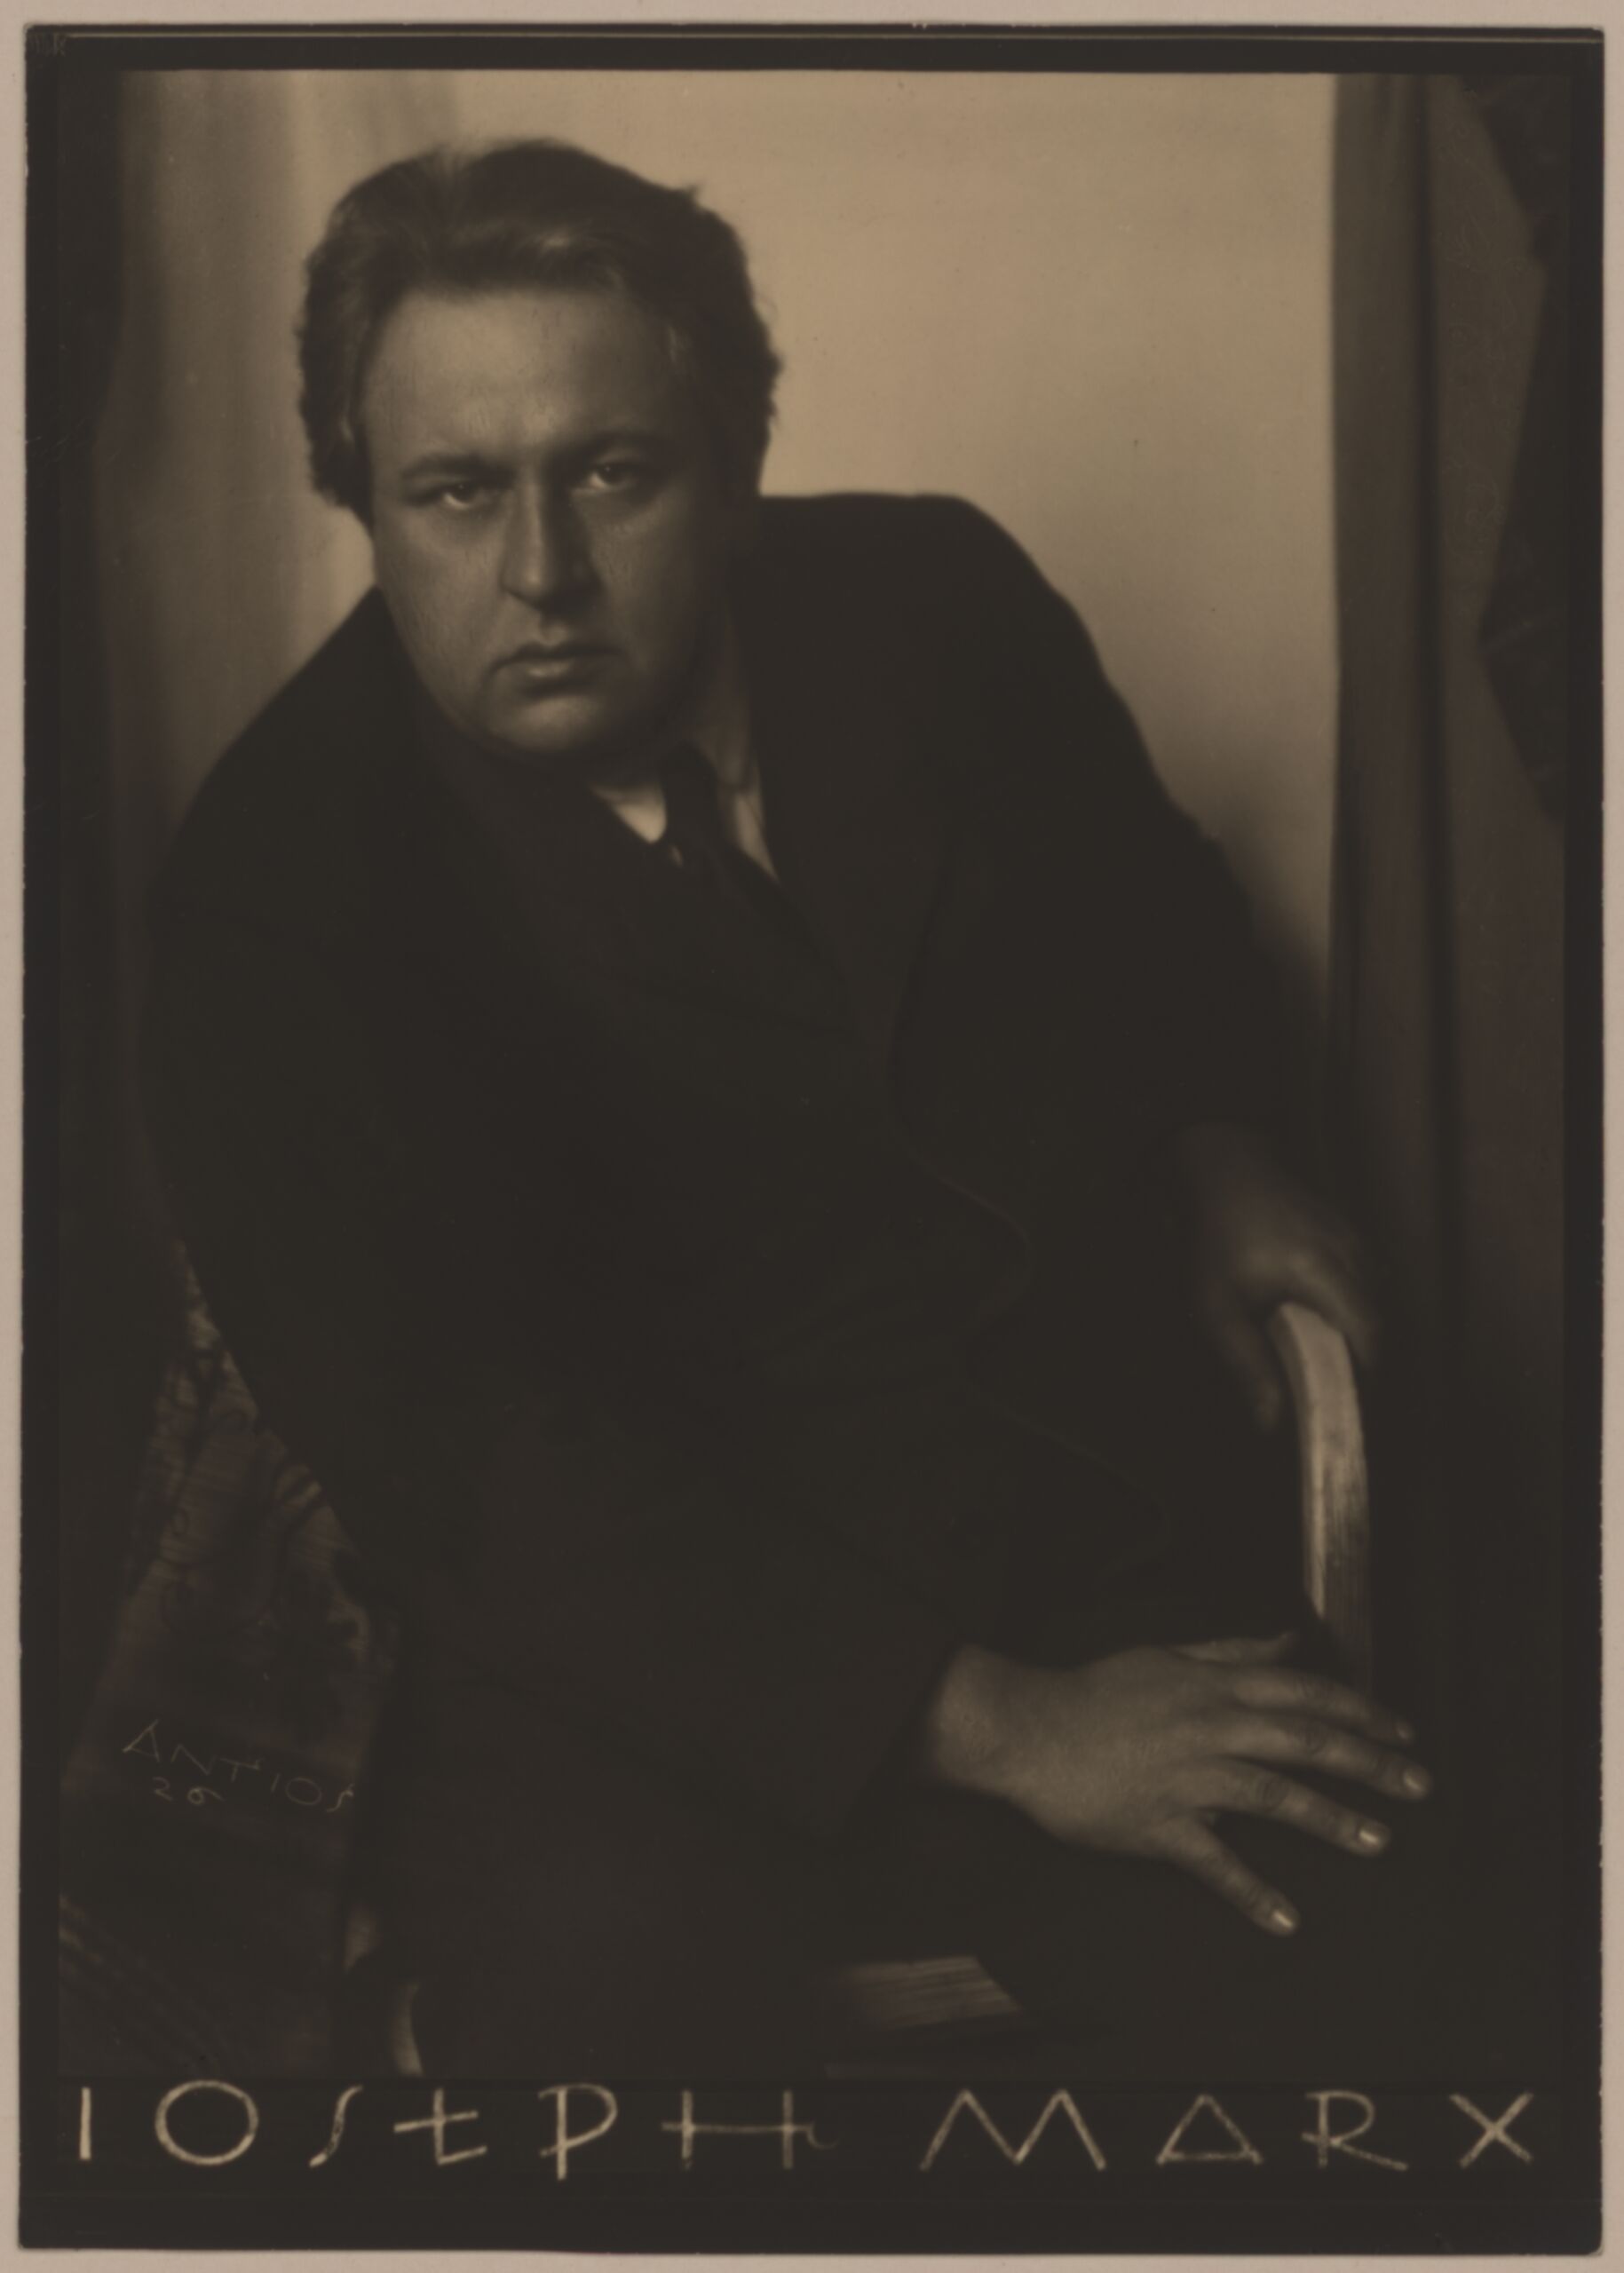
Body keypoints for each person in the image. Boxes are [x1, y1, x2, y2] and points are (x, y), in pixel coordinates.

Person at [144, 139, 1481, 2081]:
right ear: (362, 499)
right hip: (636, 1688)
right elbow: (489, 1482)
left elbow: (1154, 897)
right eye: (454, 491)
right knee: (639, 2039)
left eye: (614, 472)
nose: (541, 573)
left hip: (1060, 1543)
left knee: (1411, 1944)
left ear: (737, 464)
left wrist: (1221, 1140)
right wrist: (1014, 1728)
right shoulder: (272, 893)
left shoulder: (939, 601)